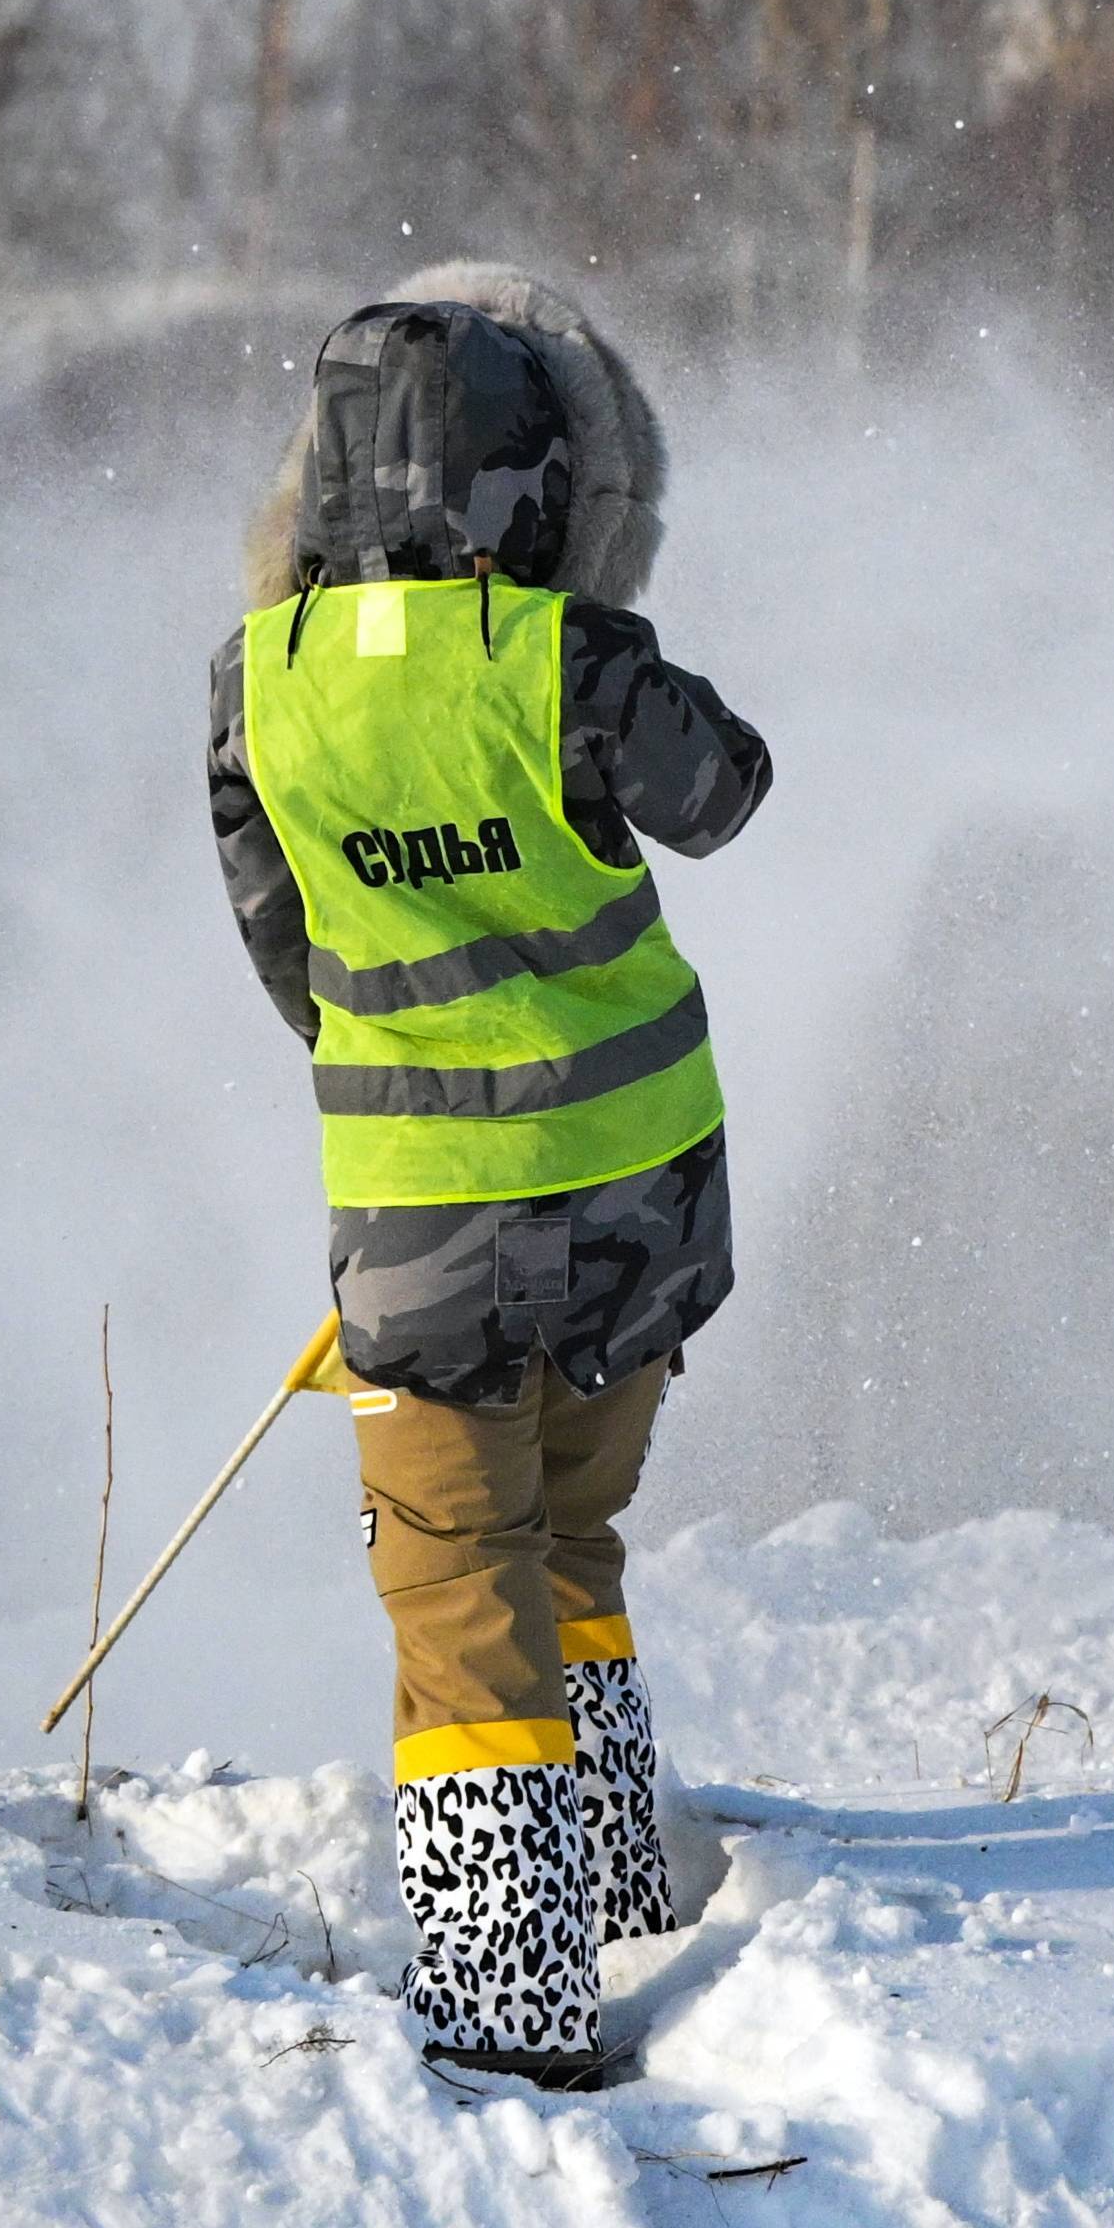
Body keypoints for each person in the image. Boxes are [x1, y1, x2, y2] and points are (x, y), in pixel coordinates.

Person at [204, 267, 771, 2088]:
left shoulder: (257, 686)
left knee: (460, 1589)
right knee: (572, 1534)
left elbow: (287, 953)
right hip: (636, 1200)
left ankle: (514, 2010)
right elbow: (725, 789)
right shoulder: (562, 660)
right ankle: (615, 1887)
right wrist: (591, 640)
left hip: (423, 1219)